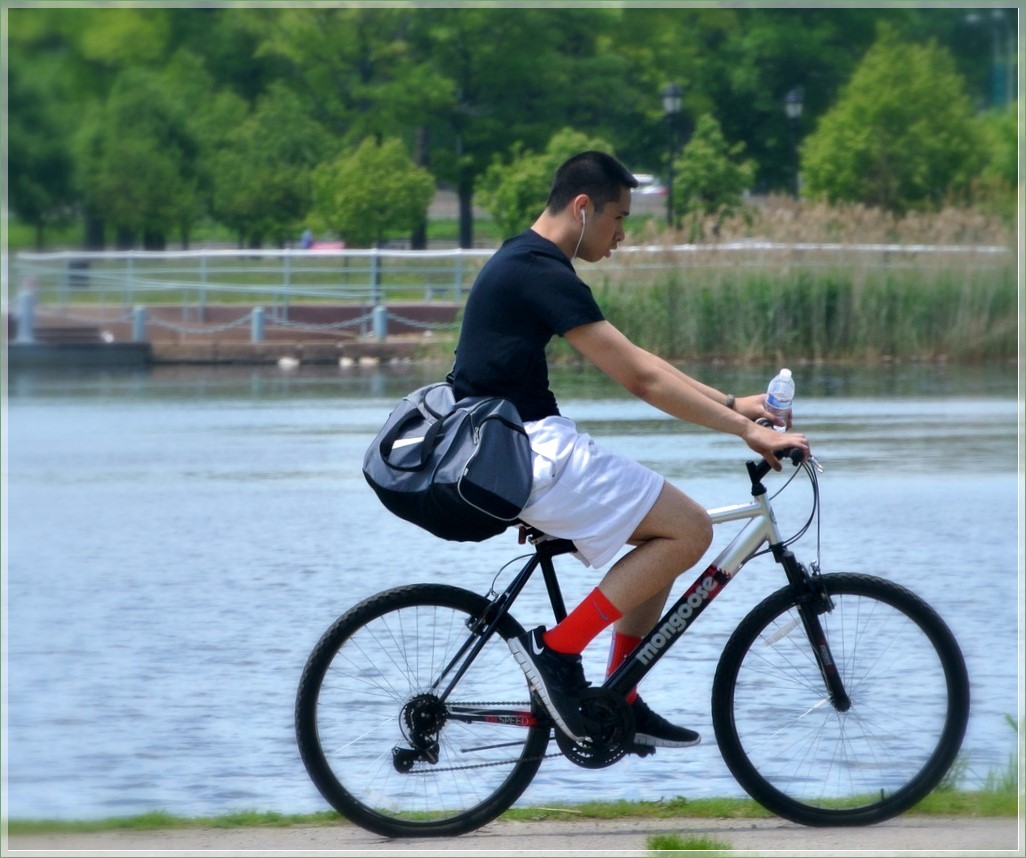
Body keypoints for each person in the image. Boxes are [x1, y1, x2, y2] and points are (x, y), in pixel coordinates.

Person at [449, 151, 811, 749]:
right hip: (530, 448)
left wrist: (731, 403)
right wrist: (745, 431)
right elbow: (639, 381)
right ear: (583, 207)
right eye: (619, 216)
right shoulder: (539, 270)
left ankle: (622, 693)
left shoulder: (530, 261)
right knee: (689, 530)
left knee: (662, 536)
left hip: (514, 448)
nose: (623, 233)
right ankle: (559, 651)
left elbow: (639, 358)